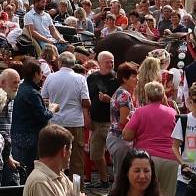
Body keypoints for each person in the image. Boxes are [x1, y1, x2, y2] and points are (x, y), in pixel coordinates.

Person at [23, 124, 102, 196]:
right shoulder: (41, 182)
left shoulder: (60, 176)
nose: (71, 155)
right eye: (71, 149)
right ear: (64, 150)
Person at [122, 81, 178, 196]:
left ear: (147, 95)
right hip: (170, 158)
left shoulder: (140, 112)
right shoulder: (172, 112)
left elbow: (127, 135)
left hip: (147, 159)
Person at [41, 51, 90, 179]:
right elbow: (86, 102)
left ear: (60, 62)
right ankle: (77, 192)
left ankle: (56, 186)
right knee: (77, 161)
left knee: (55, 156)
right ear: (73, 64)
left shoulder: (51, 77)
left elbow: (43, 98)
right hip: (75, 122)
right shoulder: (80, 78)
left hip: (56, 121)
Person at [11, 59, 55, 178]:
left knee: (22, 169)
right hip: (30, 137)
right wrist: (52, 109)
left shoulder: (22, 88)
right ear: (35, 74)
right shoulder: (32, 92)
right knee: (29, 170)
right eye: (41, 73)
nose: (42, 76)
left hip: (19, 134)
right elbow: (42, 116)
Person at [86, 51, 119, 188]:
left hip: (111, 122)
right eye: (107, 61)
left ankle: (118, 182)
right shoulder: (92, 78)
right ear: (99, 63)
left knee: (115, 155)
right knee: (95, 154)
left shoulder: (117, 79)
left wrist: (109, 100)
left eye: (112, 61)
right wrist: (86, 116)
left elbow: (123, 103)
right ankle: (104, 180)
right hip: (95, 122)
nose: (110, 64)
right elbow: (85, 98)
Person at [106, 61, 138, 179]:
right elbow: (124, 120)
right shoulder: (124, 94)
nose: (137, 79)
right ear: (125, 79)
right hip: (120, 139)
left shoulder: (121, 92)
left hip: (118, 138)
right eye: (134, 76)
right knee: (121, 177)